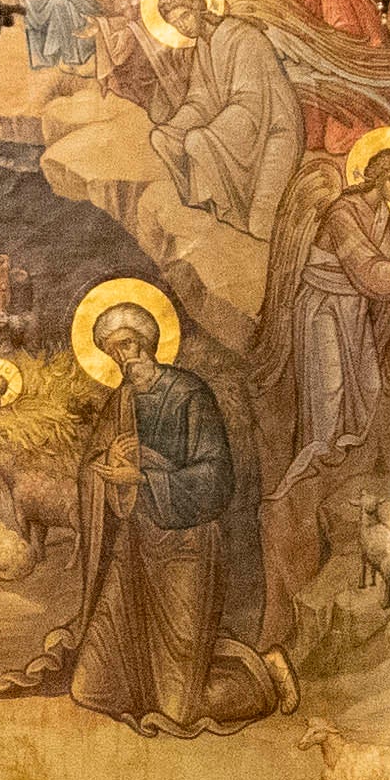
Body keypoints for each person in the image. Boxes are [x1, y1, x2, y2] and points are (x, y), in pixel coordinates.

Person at [72, 287, 256, 734]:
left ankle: (263, 676)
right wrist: (107, 464)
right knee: (90, 687)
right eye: (113, 352)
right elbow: (91, 467)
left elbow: (217, 478)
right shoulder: (122, 401)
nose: (123, 358)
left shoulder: (190, 392)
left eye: (129, 345)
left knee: (178, 709)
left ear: (148, 343)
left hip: (185, 542)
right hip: (135, 546)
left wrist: (146, 474)